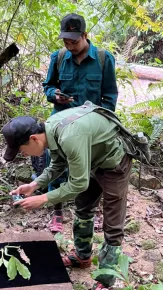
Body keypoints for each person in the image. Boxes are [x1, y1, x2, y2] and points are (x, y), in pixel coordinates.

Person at [2, 103, 130, 290]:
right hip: (91, 159)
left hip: (114, 161)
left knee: (112, 225)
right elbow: (58, 164)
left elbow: (78, 183)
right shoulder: (51, 132)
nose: (24, 155)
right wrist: (34, 185)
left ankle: (105, 281)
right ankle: (82, 256)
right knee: (83, 209)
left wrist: (43, 198)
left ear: (33, 138)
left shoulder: (69, 136)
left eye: (22, 151)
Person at [34, 13, 118, 233]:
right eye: (66, 41)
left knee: (88, 171)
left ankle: (86, 211)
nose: (69, 46)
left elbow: (109, 97)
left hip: (87, 129)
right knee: (56, 166)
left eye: (74, 41)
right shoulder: (59, 57)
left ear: (85, 35)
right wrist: (55, 95)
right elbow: (48, 86)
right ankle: (57, 212)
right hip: (60, 125)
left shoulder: (103, 59)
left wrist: (99, 123)